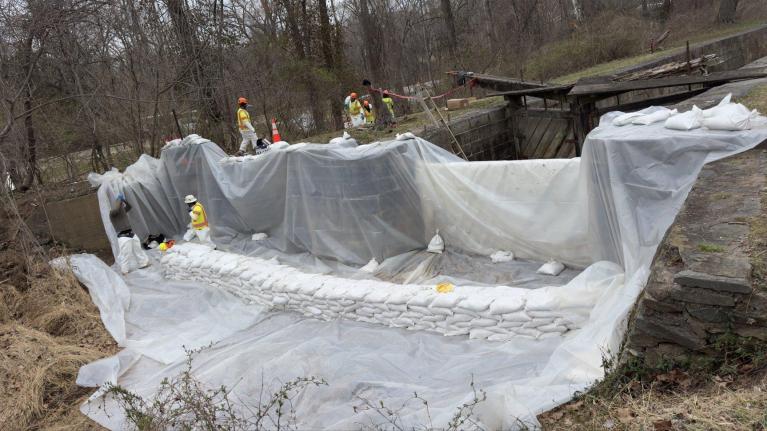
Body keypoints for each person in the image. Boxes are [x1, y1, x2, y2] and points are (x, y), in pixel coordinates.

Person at [109, 192, 149, 274]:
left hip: (131, 233)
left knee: (138, 249)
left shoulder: (122, 211)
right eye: (120, 204)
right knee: (126, 254)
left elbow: (129, 207)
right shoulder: (112, 213)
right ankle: (124, 270)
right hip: (123, 236)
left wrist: (123, 200)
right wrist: (118, 200)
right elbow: (116, 210)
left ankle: (143, 263)